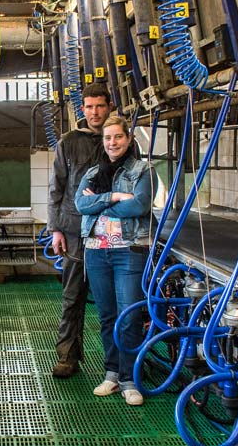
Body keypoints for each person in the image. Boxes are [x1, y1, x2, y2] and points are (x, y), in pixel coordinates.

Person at [74, 115, 153, 406]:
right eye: (108, 138)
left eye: (118, 137)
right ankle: (111, 373)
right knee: (107, 316)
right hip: (96, 251)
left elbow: (140, 205)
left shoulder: (143, 170)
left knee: (129, 315)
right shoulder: (94, 172)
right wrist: (116, 196)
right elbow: (80, 204)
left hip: (129, 250)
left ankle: (130, 379)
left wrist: (101, 206)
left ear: (128, 140)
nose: (112, 143)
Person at [47, 83, 113, 378]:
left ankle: (118, 364)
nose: (95, 112)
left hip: (112, 229)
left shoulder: (119, 138)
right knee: (73, 296)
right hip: (75, 231)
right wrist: (55, 229)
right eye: (89, 106)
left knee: (113, 299)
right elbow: (56, 187)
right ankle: (67, 357)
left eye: (100, 105)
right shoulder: (69, 141)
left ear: (109, 106)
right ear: (82, 109)